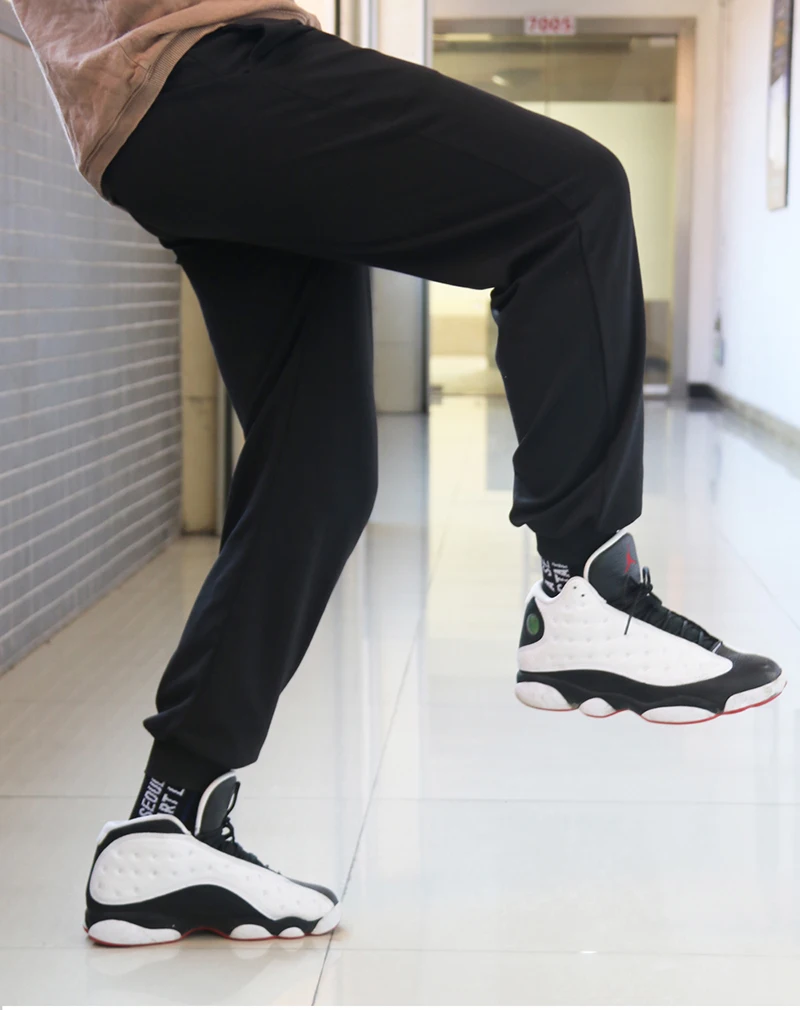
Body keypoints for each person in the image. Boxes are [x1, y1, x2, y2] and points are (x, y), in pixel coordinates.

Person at [12, 0, 785, 948]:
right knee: (574, 200)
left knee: (319, 470)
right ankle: (589, 587)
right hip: (193, 61)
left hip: (145, 112)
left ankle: (166, 825)